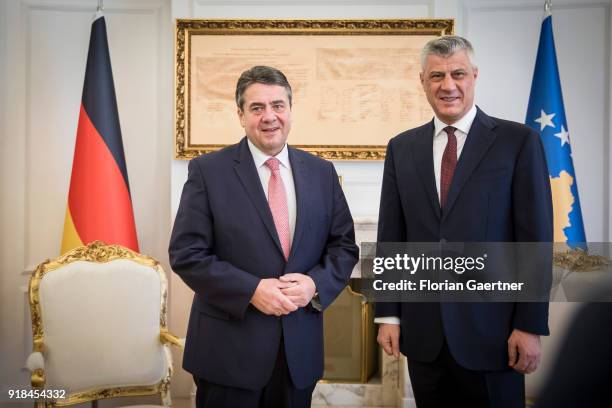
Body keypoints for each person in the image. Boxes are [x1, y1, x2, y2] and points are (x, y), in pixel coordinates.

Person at [375, 36, 553, 407]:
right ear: (422, 81)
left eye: (458, 73)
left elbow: (535, 241)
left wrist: (530, 324)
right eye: (437, 75)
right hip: (425, 336)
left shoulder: (518, 142)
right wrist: (388, 313)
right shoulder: (401, 147)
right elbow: (392, 237)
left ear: (474, 75)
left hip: (495, 336)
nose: (448, 85)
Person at [169, 65, 359, 408]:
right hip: (228, 354)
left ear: (290, 110)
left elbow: (343, 246)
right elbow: (187, 253)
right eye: (257, 108)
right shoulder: (208, 171)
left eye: (278, 105)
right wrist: (252, 290)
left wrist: (314, 285)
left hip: (298, 356)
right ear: (241, 115)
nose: (269, 116)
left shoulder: (321, 172)